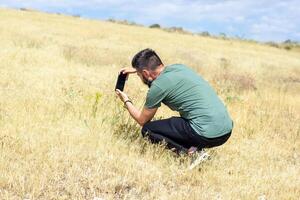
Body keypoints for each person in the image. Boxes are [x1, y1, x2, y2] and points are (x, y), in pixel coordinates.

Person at [115, 48, 233, 155]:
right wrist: (138, 70)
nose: (140, 77)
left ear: (145, 73)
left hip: (205, 135)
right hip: (225, 131)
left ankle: (190, 155)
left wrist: (126, 100)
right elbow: (155, 76)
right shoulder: (180, 68)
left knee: (148, 130)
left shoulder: (158, 87)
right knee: (180, 123)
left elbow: (142, 120)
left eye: (140, 75)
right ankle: (195, 147)